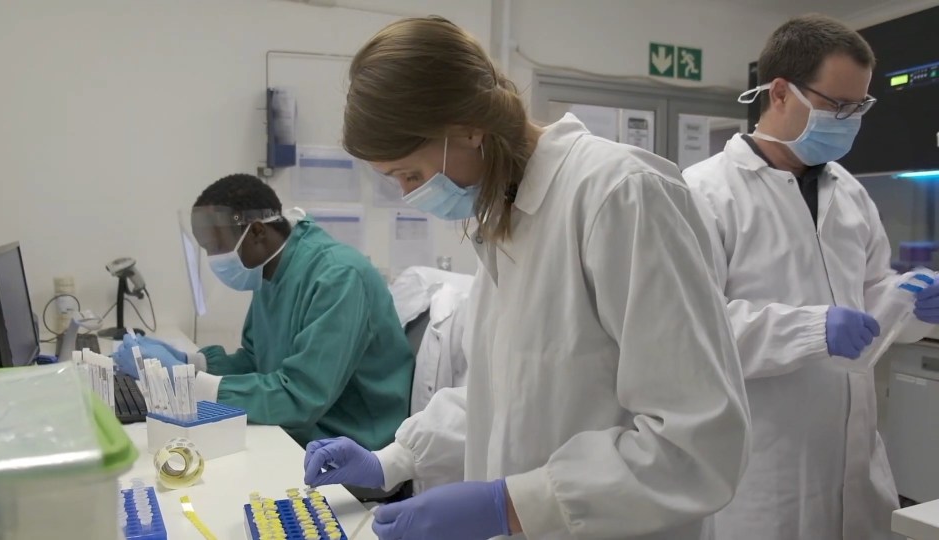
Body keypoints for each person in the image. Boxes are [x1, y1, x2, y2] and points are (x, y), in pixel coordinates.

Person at [302, 16, 750, 540]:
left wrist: (508, 504)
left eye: (412, 175)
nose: (409, 196)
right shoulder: (506, 217)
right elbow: (507, 394)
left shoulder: (619, 196)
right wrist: (396, 459)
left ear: (469, 126)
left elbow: (696, 444)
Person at [682, 14, 939, 540]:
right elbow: (692, 329)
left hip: (855, 463)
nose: (850, 120)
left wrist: (907, 302)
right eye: (837, 106)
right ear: (780, 93)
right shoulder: (704, 193)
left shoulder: (849, 193)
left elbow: (869, 296)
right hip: (763, 474)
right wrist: (810, 330)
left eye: (859, 106)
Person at [112, 173, 414, 451]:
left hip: (351, 448)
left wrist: (189, 385)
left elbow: (300, 397)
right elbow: (257, 361)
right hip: (299, 432)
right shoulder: (272, 271)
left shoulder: (337, 276)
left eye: (215, 247)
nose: (213, 260)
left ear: (256, 232)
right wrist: (192, 363)